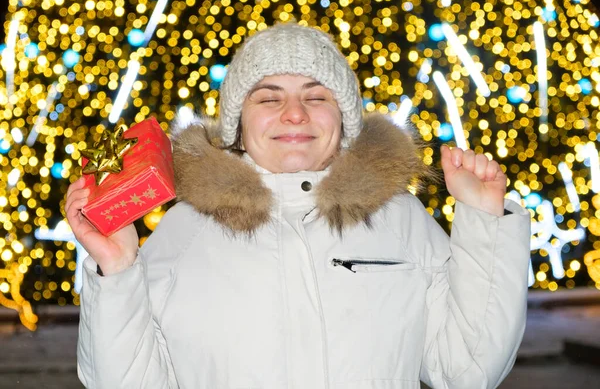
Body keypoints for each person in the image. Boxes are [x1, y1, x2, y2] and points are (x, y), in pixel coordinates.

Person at [66, 23, 531, 389]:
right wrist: (119, 269)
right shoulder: (184, 231)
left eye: (316, 96)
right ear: (238, 123)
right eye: (269, 97)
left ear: (343, 119)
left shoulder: (398, 219)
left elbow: (467, 371)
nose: (295, 114)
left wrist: (485, 222)